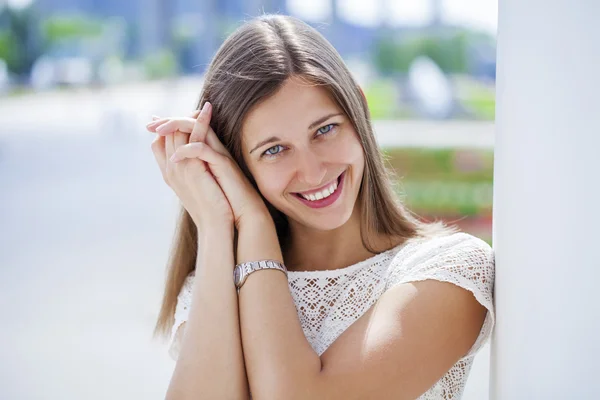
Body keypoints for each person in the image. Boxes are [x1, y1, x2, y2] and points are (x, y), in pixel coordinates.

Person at [146, 14, 495, 400]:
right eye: (274, 150)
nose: (313, 172)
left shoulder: (450, 271)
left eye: (325, 129)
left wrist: (255, 225)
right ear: (239, 165)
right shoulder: (216, 286)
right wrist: (215, 225)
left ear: (359, 112)